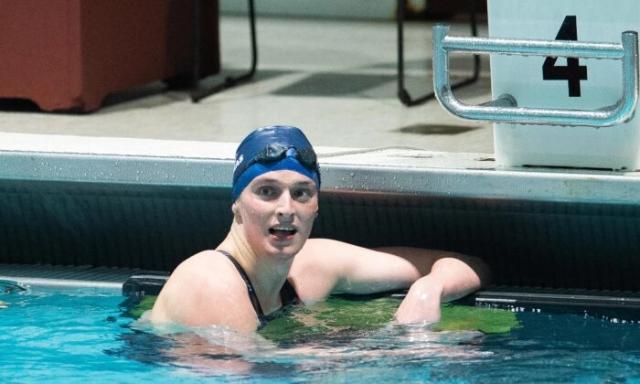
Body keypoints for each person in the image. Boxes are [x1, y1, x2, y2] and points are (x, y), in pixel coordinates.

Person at [149, 125, 489, 333]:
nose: (286, 209)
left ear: (316, 207)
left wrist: (428, 292)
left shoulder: (311, 267)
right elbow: (257, 374)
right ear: (237, 203)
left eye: (301, 194)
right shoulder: (209, 279)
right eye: (267, 192)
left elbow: (471, 266)